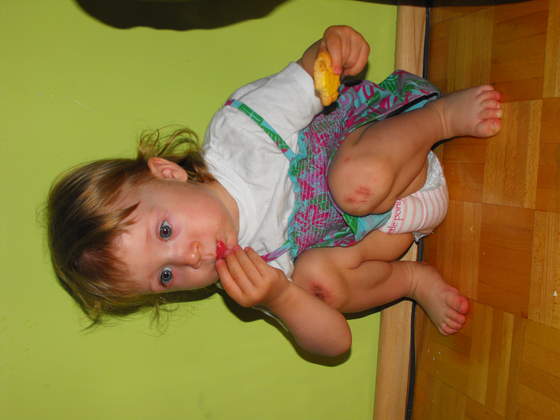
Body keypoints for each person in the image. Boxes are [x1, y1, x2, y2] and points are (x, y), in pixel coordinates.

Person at [47, 25, 502, 357]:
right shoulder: (248, 277)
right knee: (315, 281)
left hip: (397, 152)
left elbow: (309, 75)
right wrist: (280, 298)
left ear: (168, 173)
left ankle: (441, 118)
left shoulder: (239, 136)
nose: (188, 258)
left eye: (165, 231)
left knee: (353, 187)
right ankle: (412, 281)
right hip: (398, 227)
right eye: (165, 276)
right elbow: (335, 344)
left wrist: (332, 48)